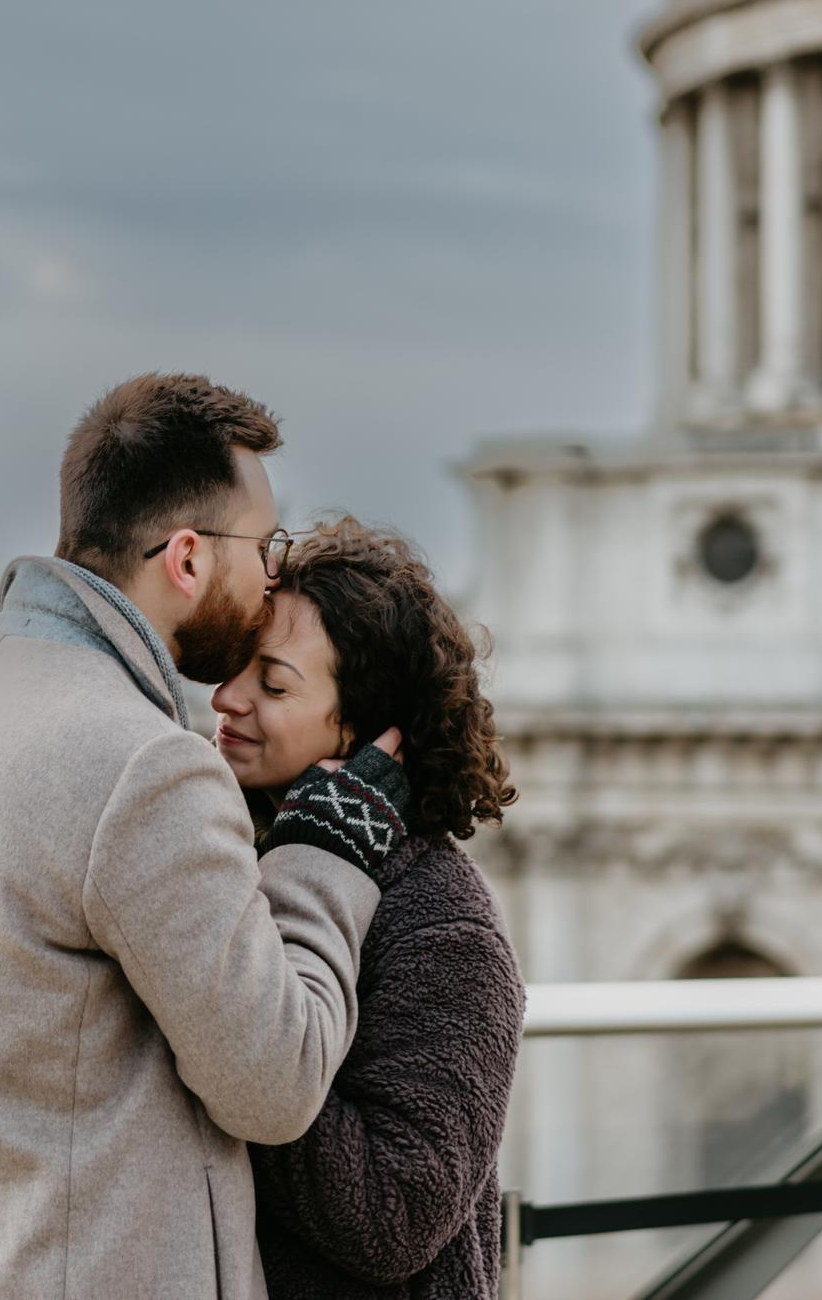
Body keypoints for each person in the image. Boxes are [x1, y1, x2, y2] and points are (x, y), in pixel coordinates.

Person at [0, 374, 412, 1299]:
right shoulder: (144, 763)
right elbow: (276, 1084)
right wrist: (325, 850)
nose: (272, 576)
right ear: (186, 557)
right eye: (264, 547)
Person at [213, 518, 524, 1299]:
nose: (225, 697)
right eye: (233, 666)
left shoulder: (442, 923)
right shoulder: (228, 860)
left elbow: (397, 1213)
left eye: (273, 684)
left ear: (362, 725)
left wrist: (224, 1041)